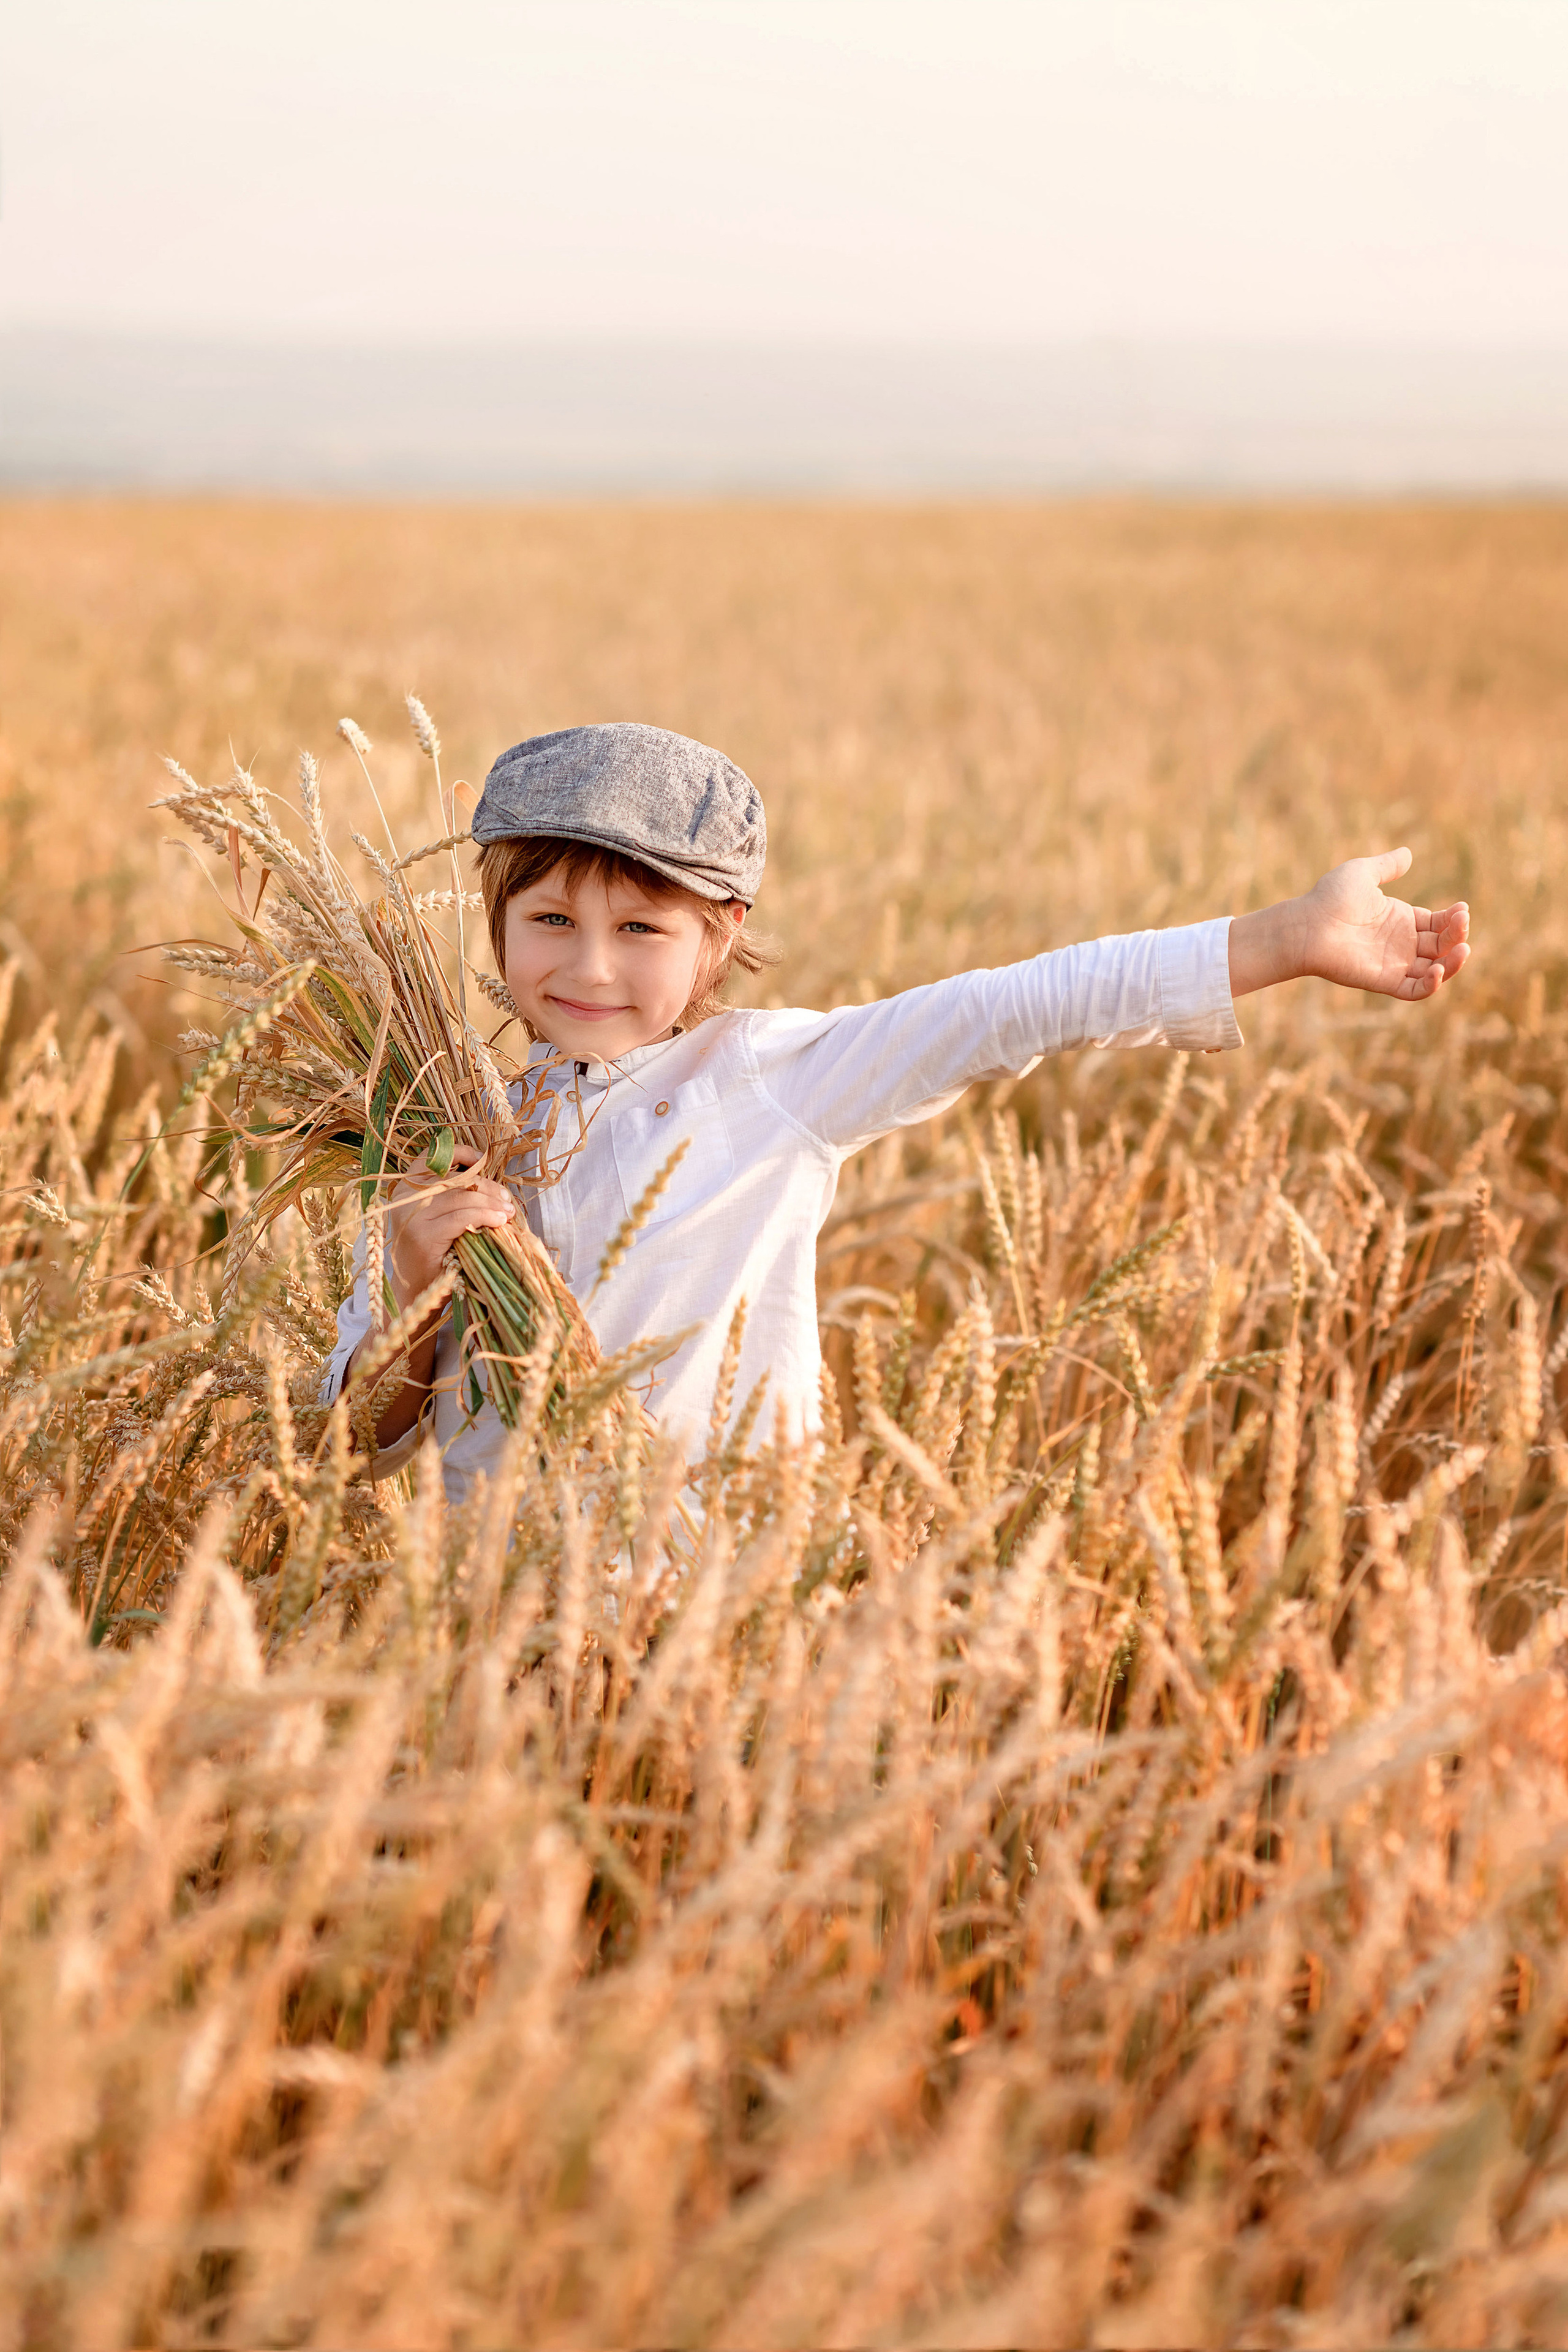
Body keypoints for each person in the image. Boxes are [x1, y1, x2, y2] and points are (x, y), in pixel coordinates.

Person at [321, 722, 1471, 1500]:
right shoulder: (440, 1139)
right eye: (552, 923)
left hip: (709, 1623)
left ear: (719, 938)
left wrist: (1284, 939)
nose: (591, 969)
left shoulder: (768, 1081)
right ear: (498, 920)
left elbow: (1013, 1008)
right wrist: (419, 1287)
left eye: (640, 931)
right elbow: (346, 1450)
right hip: (484, 1640)